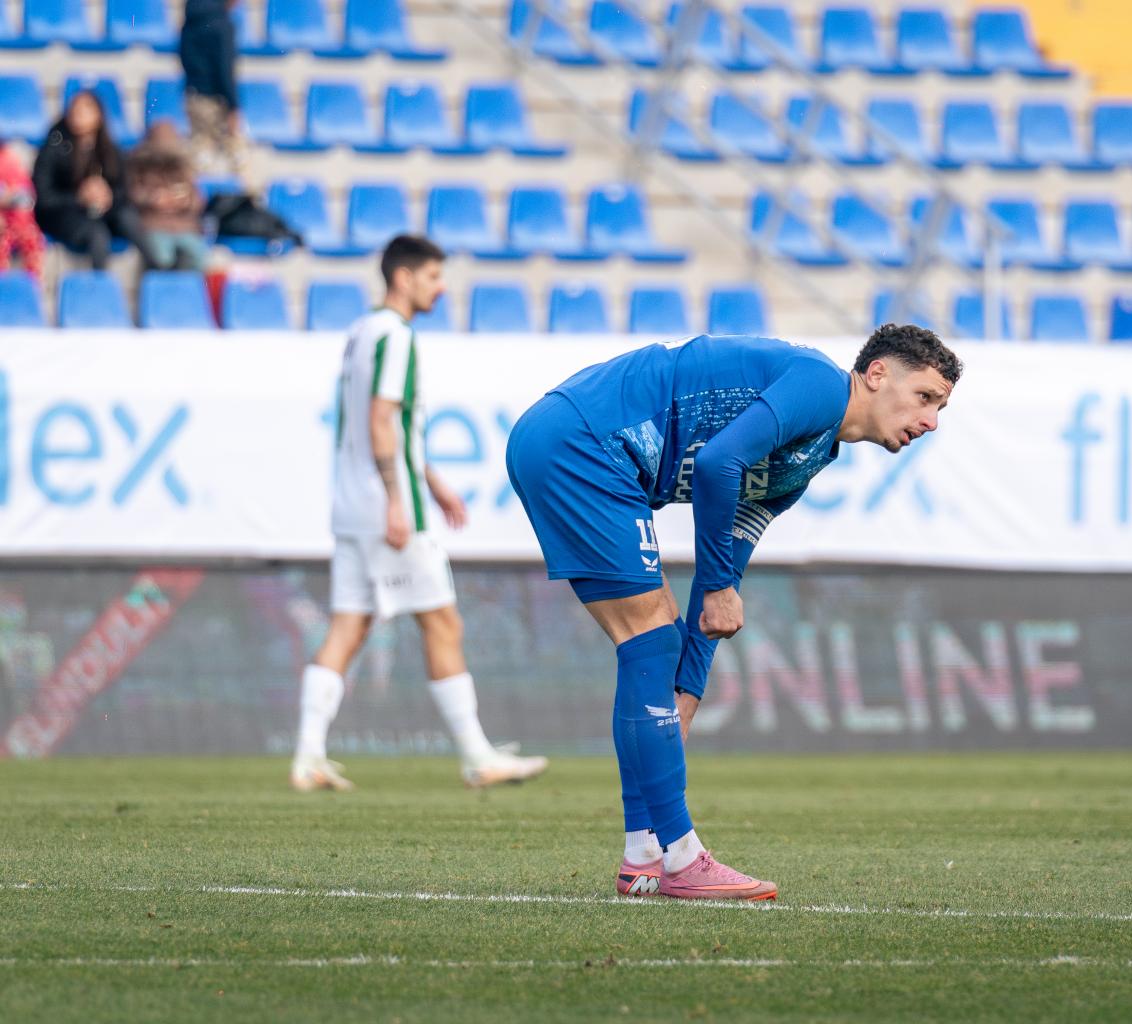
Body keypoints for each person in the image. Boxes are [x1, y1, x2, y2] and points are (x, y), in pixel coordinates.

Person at [506, 325, 961, 900]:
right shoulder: (822, 385)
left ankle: (643, 854)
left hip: (573, 443)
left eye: (940, 407)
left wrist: (689, 690)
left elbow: (727, 556)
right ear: (876, 375)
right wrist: (720, 587)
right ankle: (681, 857)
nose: (931, 421)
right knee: (649, 640)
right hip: (583, 443)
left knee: (653, 648)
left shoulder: (810, 454)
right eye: (925, 397)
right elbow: (719, 462)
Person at [291, 235, 549, 792]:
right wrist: (397, 498)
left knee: (349, 626)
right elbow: (382, 419)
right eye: (433, 276)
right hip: (387, 508)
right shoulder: (397, 336)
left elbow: (386, 425)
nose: (441, 288)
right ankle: (477, 756)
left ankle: (307, 756)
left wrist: (432, 483)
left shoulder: (362, 332)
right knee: (442, 622)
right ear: (404, 277)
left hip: (350, 504)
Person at [33, 91, 159, 271]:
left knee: (128, 219)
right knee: (98, 235)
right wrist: (79, 198)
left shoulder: (110, 149)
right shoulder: (54, 147)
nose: (79, 113)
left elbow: (124, 190)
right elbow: (44, 197)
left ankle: (159, 273)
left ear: (99, 115)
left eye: (86, 108)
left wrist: (107, 196)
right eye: (75, 108)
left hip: (103, 212)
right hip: (64, 214)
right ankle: (100, 284)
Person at [126, 121, 209, 271]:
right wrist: (154, 199)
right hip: (153, 225)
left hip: (185, 226)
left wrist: (184, 201)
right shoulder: (139, 168)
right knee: (162, 258)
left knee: (199, 258)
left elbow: (198, 201)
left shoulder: (183, 170)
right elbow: (132, 195)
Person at [180, 0, 248, 180]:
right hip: (216, 100)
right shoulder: (222, 24)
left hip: (193, 95)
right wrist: (233, 106)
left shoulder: (190, 20)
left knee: (200, 157)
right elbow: (224, 69)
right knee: (237, 160)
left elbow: (183, 57)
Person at [0, 140, 44, 278]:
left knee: (32, 238)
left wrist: (13, 197)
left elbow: (27, 197)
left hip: (17, 220)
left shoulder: (11, 160)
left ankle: (31, 286)